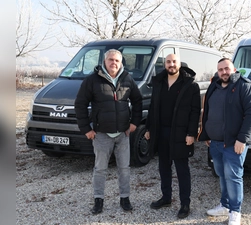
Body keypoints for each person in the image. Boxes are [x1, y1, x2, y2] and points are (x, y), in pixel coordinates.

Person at [74, 49, 143, 214]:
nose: (114, 63)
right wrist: (86, 129)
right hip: (102, 134)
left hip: (122, 134)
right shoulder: (92, 80)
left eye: (117, 61)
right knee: (100, 169)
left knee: (124, 169)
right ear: (104, 61)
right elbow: (80, 104)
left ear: (121, 63)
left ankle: (125, 199)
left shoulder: (127, 79)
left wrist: (134, 123)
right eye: (111, 60)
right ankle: (98, 200)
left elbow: (138, 100)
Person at [198, 58, 251, 225]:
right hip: (215, 143)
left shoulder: (244, 86)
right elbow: (207, 112)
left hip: (234, 143)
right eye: (220, 69)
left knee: (233, 177)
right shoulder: (214, 85)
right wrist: (206, 134)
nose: (224, 72)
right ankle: (225, 205)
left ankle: (235, 211)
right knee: (222, 174)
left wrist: (242, 139)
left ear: (234, 69)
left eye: (226, 69)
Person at [144, 54, 201, 219]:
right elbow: (153, 107)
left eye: (174, 61)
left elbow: (194, 111)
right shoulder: (159, 82)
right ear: (165, 64)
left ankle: (185, 203)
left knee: (182, 169)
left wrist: (191, 133)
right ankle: (166, 197)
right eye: (168, 62)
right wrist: (149, 128)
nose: (171, 64)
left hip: (181, 133)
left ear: (179, 64)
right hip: (161, 132)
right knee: (163, 167)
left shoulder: (190, 85)